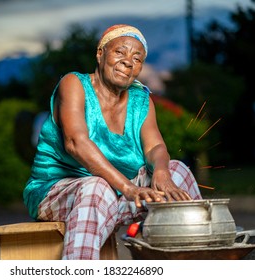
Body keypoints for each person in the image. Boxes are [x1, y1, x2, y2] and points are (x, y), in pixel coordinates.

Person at [23, 24, 202, 260]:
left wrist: (160, 172)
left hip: (123, 195)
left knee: (177, 170)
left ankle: (196, 259)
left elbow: (155, 147)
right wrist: (127, 188)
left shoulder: (141, 99)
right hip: (60, 193)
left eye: (137, 58)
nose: (128, 61)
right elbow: (75, 142)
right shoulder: (74, 84)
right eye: (120, 52)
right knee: (96, 187)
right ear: (100, 54)